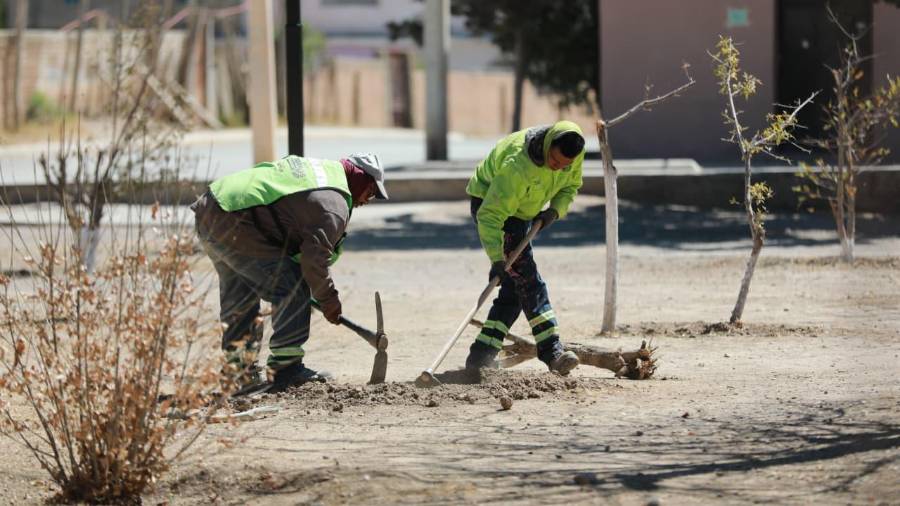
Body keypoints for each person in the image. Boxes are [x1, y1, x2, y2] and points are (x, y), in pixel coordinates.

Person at [191, 153, 388, 391]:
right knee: (291, 286)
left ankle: (238, 374)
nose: (369, 199)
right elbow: (314, 261)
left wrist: (319, 293)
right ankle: (286, 369)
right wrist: (328, 299)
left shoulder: (322, 172)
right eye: (372, 192)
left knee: (241, 294)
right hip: (237, 220)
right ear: (360, 179)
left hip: (212, 208)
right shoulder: (334, 205)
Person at [465, 120, 585, 375]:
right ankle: (552, 351)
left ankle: (480, 357)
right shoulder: (517, 166)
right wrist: (496, 260)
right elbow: (490, 216)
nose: (558, 169)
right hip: (493, 207)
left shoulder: (572, 150)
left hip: (521, 214)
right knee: (529, 282)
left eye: (564, 166)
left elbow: (570, 186)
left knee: (514, 291)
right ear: (547, 147)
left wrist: (554, 211)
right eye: (554, 162)